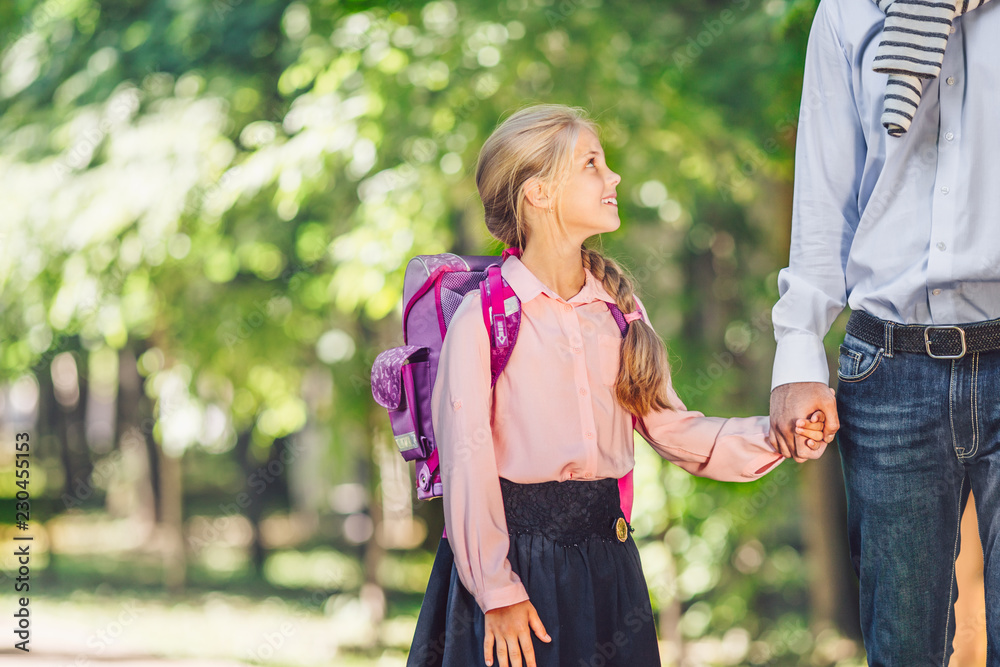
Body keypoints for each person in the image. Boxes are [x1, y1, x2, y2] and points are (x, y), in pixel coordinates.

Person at [406, 104, 828, 667]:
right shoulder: (482, 319)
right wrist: (496, 588)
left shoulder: (619, 311)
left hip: (609, 566)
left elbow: (673, 429)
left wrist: (776, 435)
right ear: (539, 194)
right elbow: (467, 460)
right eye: (591, 163)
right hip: (514, 572)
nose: (613, 177)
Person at [768, 0, 1000, 664]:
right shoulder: (847, 11)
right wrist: (798, 352)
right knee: (901, 648)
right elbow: (824, 195)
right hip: (890, 365)